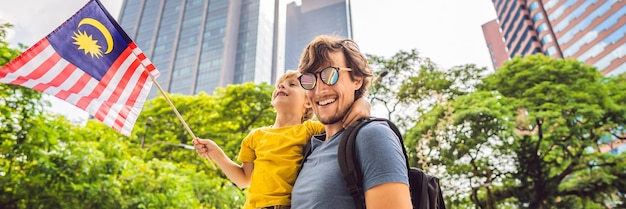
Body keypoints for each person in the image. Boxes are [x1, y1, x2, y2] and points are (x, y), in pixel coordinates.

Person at [193, 70, 371, 209]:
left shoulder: (310, 129)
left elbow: (343, 121)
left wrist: (362, 102)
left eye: (292, 84)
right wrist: (216, 153)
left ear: (308, 102)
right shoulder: (255, 137)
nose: (281, 87)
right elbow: (243, 180)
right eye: (278, 85)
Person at [291, 35, 412, 209]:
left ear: (356, 79)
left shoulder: (372, 135)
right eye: (309, 80)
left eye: (330, 74)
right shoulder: (308, 148)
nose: (319, 90)